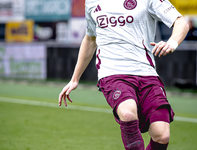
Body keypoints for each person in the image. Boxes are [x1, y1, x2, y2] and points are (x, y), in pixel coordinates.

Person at [59, 0, 189, 149]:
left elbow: (181, 22)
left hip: (146, 72)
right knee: (127, 114)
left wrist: (172, 43)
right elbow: (90, 38)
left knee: (162, 135)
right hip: (112, 72)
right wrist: (75, 78)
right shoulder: (92, 2)